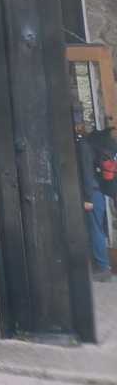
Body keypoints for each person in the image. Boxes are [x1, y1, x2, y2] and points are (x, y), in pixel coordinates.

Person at [75, 111, 112, 282]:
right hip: (96, 192)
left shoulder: (82, 145)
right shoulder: (88, 144)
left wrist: (88, 198)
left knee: (95, 230)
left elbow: (86, 172)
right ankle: (101, 266)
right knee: (97, 229)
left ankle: (102, 267)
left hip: (92, 194)